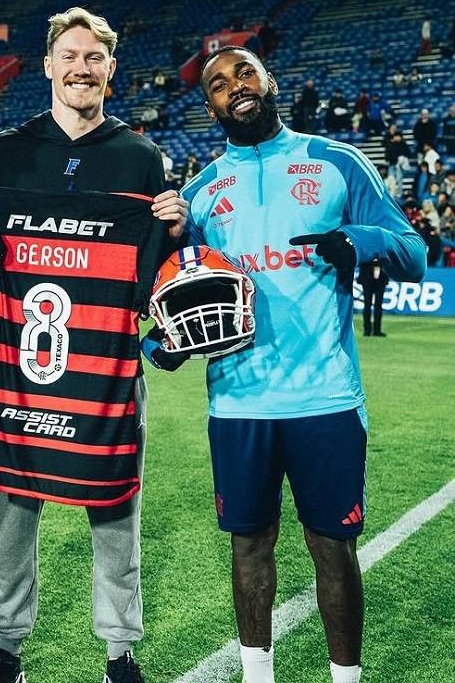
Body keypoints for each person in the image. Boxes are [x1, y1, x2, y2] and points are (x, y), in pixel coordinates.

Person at [165, 46, 426, 683]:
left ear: (270, 81)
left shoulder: (336, 163)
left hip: (326, 398)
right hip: (237, 402)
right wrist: (163, 344)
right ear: (210, 107)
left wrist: (356, 241)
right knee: (249, 546)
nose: (236, 87)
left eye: (246, 72)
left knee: (332, 548)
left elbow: (413, 253)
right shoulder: (197, 196)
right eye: (219, 84)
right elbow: (179, 295)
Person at [0, 6, 188, 683]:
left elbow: (161, 274)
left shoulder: (140, 159)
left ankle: (118, 651)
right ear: (48, 66)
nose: (82, 69)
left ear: (111, 69)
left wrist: (173, 225)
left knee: (114, 512)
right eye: (70, 56)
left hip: (107, 371)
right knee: (13, 517)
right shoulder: (4, 153)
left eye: (94, 58)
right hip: (15, 372)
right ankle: (8, 649)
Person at [357, 260, 389, 336]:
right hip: (367, 276)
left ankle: (377, 330)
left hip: (381, 278)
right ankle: (367, 330)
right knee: (367, 304)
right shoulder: (365, 248)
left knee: (378, 305)